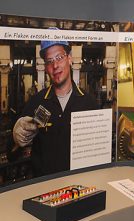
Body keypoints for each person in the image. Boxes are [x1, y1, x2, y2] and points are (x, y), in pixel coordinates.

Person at [12, 36, 98, 177]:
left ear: (69, 58)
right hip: (43, 187)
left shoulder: (89, 103)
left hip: (79, 185)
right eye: (49, 61)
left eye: (59, 57)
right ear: (45, 67)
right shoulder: (37, 102)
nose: (55, 66)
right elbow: (12, 153)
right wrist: (16, 138)